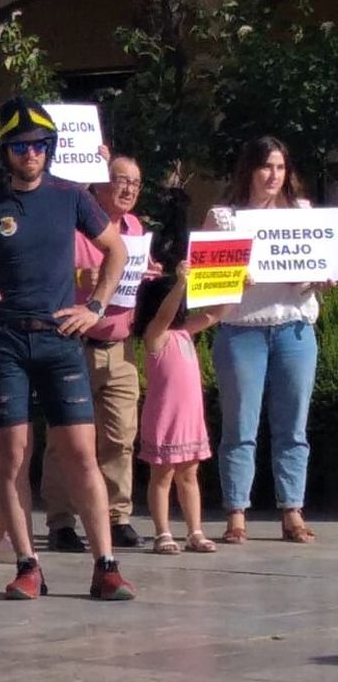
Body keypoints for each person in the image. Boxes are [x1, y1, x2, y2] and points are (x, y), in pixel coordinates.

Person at [0, 96, 136, 601]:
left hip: (60, 337)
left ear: (50, 148)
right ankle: (29, 563)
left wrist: (95, 305)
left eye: (39, 146)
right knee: (11, 456)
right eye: (20, 146)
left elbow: (116, 249)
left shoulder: (71, 195)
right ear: (2, 151)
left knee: (80, 453)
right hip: (5, 338)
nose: (31, 154)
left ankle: (106, 564)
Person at [205, 136, 322, 544]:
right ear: (249, 170)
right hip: (242, 332)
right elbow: (204, 286)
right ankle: (237, 513)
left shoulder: (305, 214)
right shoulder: (225, 218)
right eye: (265, 167)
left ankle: (292, 510)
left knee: (293, 427)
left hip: (293, 328)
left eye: (280, 167)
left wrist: (321, 277)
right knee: (240, 426)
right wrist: (231, 278)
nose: (273, 175)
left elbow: (318, 273)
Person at [39, 153, 151, 552]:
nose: (128, 189)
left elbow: (136, 275)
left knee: (121, 436)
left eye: (136, 183)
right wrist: (79, 278)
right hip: (75, 345)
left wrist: (149, 273)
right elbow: (47, 274)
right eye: (121, 179)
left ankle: (117, 516)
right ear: (98, 184)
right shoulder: (73, 227)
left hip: (120, 347)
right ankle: (62, 522)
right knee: (65, 439)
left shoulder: (135, 229)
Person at [135, 239, 219, 555]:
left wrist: (240, 288)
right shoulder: (155, 336)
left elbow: (213, 315)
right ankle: (163, 532)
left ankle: (195, 531)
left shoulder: (184, 334)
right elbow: (164, 316)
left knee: (189, 474)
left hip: (189, 419)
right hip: (165, 418)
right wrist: (181, 284)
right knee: (162, 475)